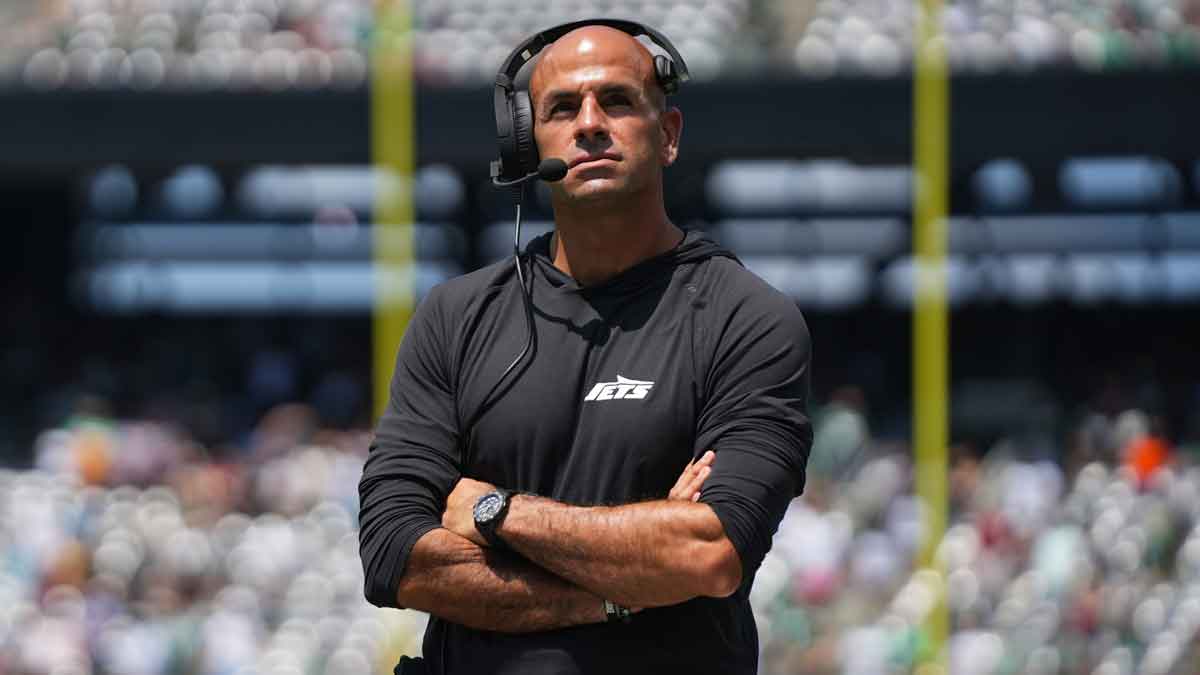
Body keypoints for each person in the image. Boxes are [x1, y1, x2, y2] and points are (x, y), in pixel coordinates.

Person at [358, 22, 813, 675]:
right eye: (563, 107)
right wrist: (622, 591)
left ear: (670, 134)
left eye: (618, 101)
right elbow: (394, 553)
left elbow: (706, 554)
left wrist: (495, 510)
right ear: (525, 142)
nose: (591, 123)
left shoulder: (748, 318)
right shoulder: (453, 317)